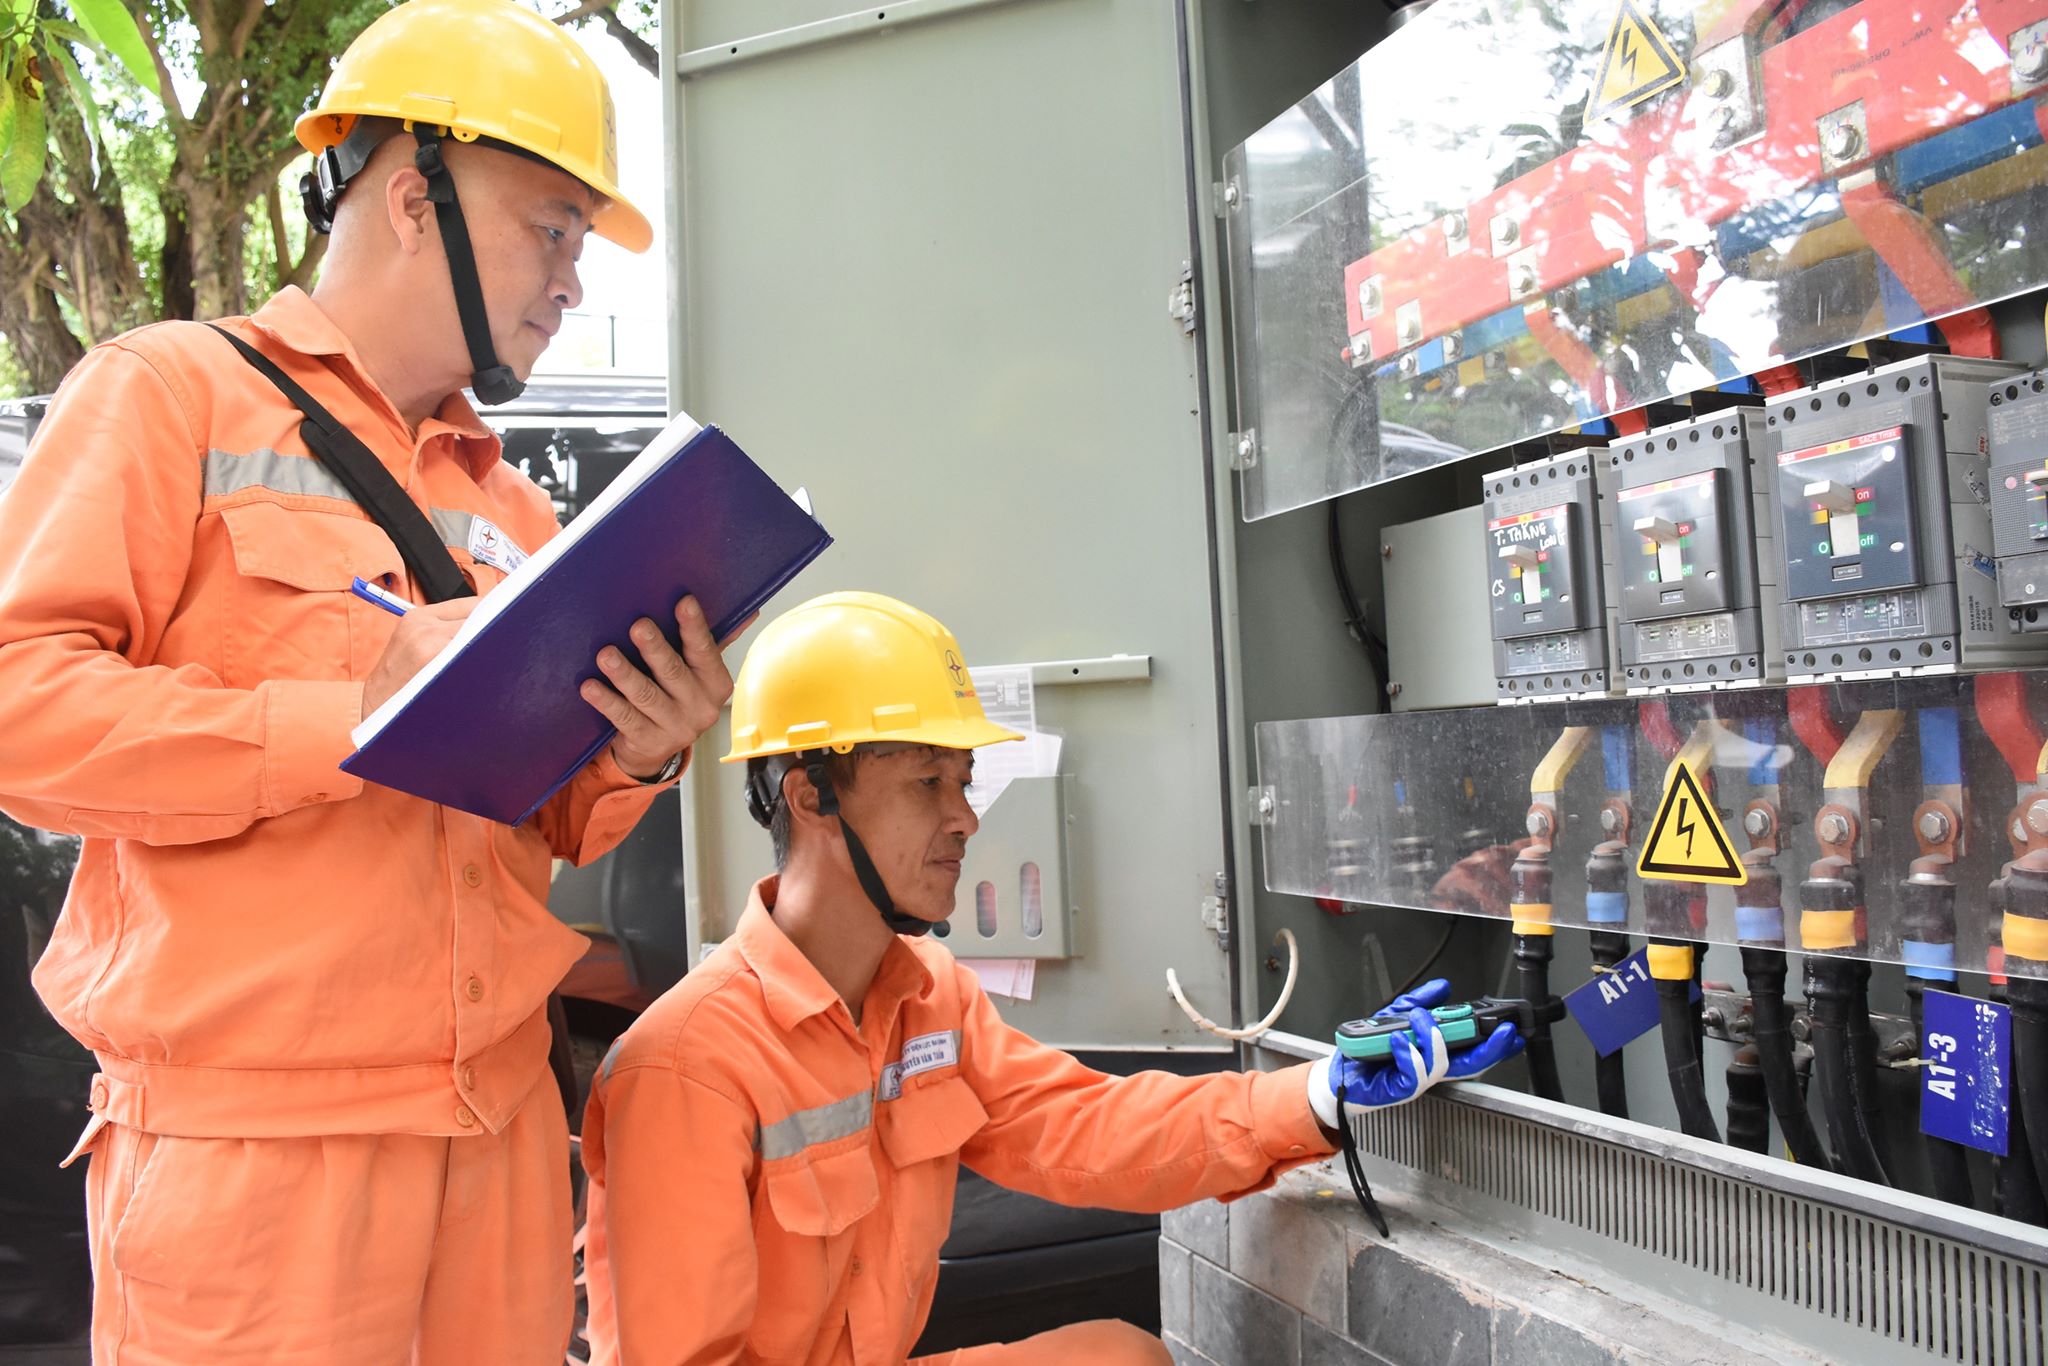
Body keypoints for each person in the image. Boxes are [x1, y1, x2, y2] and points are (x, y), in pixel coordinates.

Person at [0, 1, 732, 1359]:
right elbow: (19, 714)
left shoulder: (514, 512)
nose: (573, 281)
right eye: (554, 229)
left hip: (501, 1133)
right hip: (261, 1156)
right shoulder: (167, 396)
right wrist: (349, 717)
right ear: (412, 200)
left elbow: (555, 819)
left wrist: (641, 745)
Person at [579, 591, 1524, 1364]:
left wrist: (1318, 1093)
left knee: (1120, 1358)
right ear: (810, 795)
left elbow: (1089, 1129)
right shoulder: (688, 1065)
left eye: (964, 782)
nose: (965, 819)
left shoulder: (928, 998)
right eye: (928, 783)